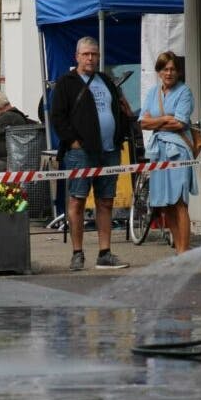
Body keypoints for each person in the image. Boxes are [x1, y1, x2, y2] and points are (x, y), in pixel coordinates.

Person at [50, 36, 130, 271]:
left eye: (94, 54)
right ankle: (77, 253)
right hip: (81, 153)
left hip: (109, 151)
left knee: (105, 201)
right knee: (77, 201)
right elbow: (57, 117)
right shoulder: (66, 82)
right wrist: (73, 142)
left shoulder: (105, 80)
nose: (90, 58)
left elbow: (119, 109)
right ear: (77, 56)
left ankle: (105, 253)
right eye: (85, 54)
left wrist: (120, 134)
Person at [138, 51, 198, 254]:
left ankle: (184, 251)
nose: (169, 73)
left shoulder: (184, 92)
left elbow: (180, 122)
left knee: (179, 202)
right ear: (159, 72)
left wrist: (155, 121)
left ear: (178, 72)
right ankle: (178, 250)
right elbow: (143, 122)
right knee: (166, 203)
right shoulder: (152, 93)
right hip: (158, 152)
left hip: (178, 151)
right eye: (165, 69)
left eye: (172, 69)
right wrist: (165, 119)